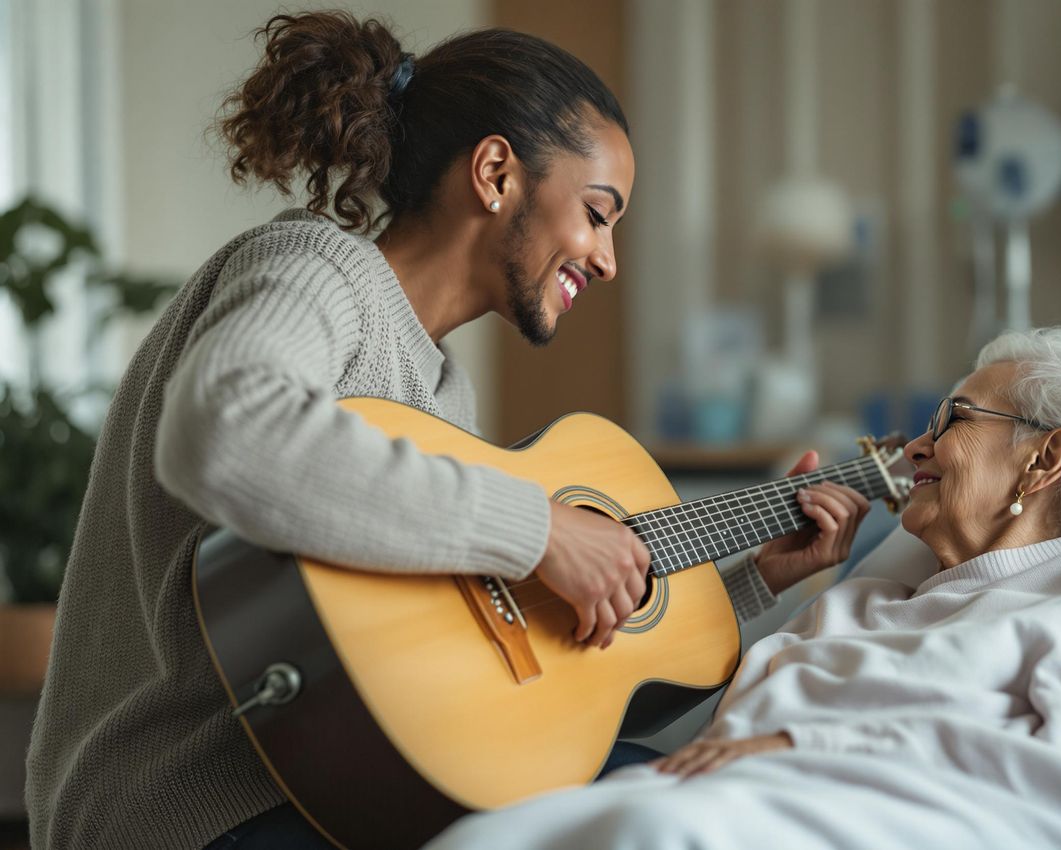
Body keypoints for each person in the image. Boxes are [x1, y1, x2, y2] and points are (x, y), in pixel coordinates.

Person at [23, 12, 870, 850]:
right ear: (497, 172)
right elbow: (224, 430)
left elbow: (512, 685)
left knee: (692, 789)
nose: (609, 260)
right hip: (189, 804)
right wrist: (538, 528)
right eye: (599, 213)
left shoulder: (441, 392)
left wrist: (750, 582)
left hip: (343, 786)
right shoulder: (318, 268)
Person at [426, 327, 1061, 850]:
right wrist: (763, 583)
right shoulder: (868, 596)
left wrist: (804, 744)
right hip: (714, 798)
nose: (916, 444)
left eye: (953, 420)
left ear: (1045, 459)